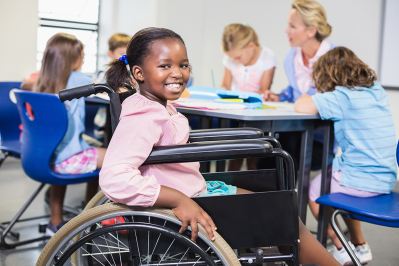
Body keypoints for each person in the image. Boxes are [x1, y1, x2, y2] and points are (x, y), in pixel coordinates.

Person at [100, 27, 338, 265]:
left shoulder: (159, 106)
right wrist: (178, 200)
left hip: (194, 188)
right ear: (139, 73)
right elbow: (114, 178)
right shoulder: (143, 117)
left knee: (280, 209)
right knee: (283, 217)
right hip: (185, 198)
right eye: (165, 66)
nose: (178, 73)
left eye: (183, 65)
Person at [295, 46, 398, 265]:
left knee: (314, 189)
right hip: (386, 179)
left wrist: (309, 92)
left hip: (359, 181)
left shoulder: (340, 97)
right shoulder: (376, 91)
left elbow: (302, 107)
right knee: (334, 177)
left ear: (328, 75)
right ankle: (360, 246)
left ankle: (340, 247)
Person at [33, 33, 106, 235]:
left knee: (89, 150)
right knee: (112, 156)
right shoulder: (79, 79)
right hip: (68, 159)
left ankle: (54, 222)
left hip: (46, 157)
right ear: (72, 58)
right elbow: (106, 86)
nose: (83, 59)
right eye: (82, 55)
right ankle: (88, 217)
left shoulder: (41, 83)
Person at [261, 0, 333, 172]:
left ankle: (290, 197)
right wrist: (280, 97)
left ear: (311, 30)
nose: (286, 30)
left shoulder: (334, 59)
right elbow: (295, 90)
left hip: (320, 139)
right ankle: (274, 197)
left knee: (281, 155)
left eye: (292, 26)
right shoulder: (292, 57)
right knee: (266, 153)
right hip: (295, 132)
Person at [221, 23, 276, 171]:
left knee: (254, 152)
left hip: (256, 112)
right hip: (235, 111)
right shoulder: (231, 58)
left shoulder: (266, 57)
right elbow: (225, 85)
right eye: (232, 58)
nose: (235, 61)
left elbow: (264, 90)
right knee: (235, 152)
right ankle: (231, 184)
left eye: (238, 57)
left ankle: (251, 183)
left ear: (251, 46)